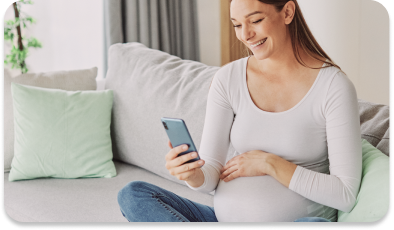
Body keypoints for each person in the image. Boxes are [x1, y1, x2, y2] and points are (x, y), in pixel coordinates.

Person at [117, 0, 361, 222]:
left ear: (287, 12)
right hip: (221, 218)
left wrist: (270, 163)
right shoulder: (228, 78)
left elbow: (345, 194)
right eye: (237, 25)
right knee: (134, 194)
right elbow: (210, 173)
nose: (245, 35)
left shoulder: (333, 86)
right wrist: (192, 174)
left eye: (256, 20)